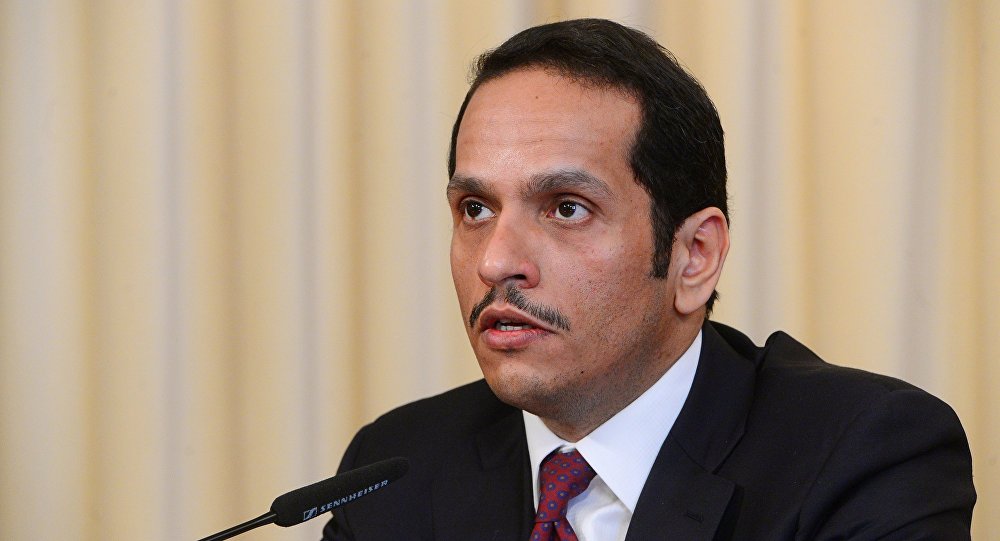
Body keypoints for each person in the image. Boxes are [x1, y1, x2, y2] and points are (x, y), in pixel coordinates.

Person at [321, 18, 975, 540]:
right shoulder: (397, 469)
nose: (495, 262)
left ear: (694, 257)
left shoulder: (861, 455)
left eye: (567, 208)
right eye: (475, 209)